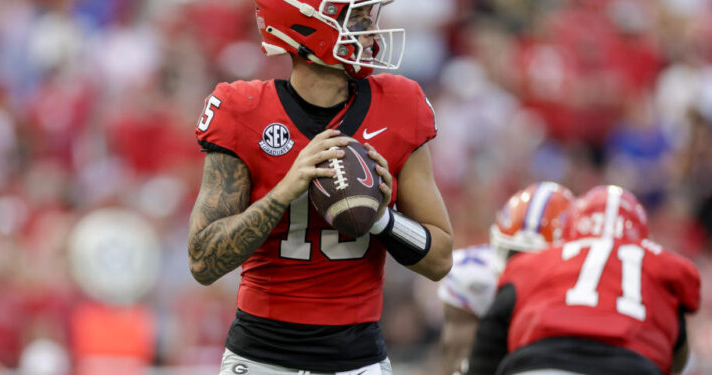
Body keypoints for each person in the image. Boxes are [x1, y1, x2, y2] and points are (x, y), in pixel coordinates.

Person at [187, 1, 453, 374]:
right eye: (355, 19)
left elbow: (441, 259)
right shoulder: (243, 108)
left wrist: (382, 219)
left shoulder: (401, 104)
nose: (371, 31)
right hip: (260, 355)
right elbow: (202, 261)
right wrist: (283, 192)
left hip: (357, 358)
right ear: (305, 27)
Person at [467, 185, 701, 375]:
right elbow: (676, 355)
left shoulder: (539, 262)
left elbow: (489, 343)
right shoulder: (661, 266)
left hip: (540, 365)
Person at [437, 182, 575, 375]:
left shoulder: (585, 294)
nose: (525, 268)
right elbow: (459, 364)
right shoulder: (475, 279)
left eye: (539, 259)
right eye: (516, 254)